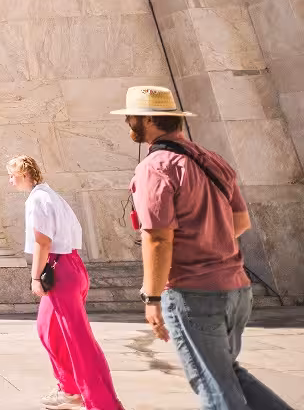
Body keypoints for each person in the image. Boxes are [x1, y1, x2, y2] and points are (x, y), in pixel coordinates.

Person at [114, 85, 289, 410]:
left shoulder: (155, 167)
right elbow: (240, 222)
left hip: (193, 293)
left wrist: (151, 298)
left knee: (214, 387)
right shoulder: (212, 159)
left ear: (145, 120)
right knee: (228, 375)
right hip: (236, 289)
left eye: (129, 118)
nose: (128, 124)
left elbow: (158, 238)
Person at [7, 155, 123, 410]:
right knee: (50, 332)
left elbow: (43, 242)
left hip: (60, 269)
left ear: (25, 174)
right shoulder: (50, 196)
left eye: (12, 174)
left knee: (77, 339)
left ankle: (101, 402)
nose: (10, 180)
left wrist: (35, 277)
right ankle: (69, 389)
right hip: (71, 266)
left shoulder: (38, 199)